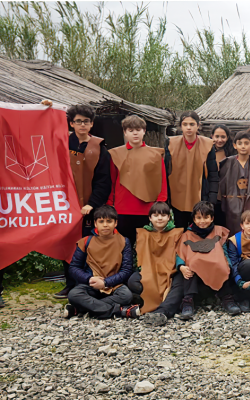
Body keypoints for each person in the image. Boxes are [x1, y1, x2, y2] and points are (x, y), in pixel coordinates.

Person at [54, 104, 112, 299]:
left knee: (88, 246)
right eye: (78, 121)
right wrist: (46, 108)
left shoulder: (99, 147)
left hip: (89, 207)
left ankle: (89, 285)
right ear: (71, 123)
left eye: (86, 121)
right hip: (65, 204)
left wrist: (92, 204)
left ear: (91, 124)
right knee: (68, 245)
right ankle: (70, 284)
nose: (82, 125)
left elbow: (104, 180)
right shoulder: (62, 142)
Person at [64, 206, 136, 319]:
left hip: (113, 285)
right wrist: (89, 279)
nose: (105, 225)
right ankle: (118, 311)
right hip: (91, 284)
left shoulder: (124, 241)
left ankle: (82, 308)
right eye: (101, 221)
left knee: (126, 296)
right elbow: (74, 268)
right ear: (95, 224)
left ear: (115, 223)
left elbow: (126, 270)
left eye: (109, 221)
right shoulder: (86, 241)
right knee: (74, 295)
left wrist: (106, 282)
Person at [108, 115, 168, 247]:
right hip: (122, 207)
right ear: (124, 132)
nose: (135, 133)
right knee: (123, 246)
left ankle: (145, 268)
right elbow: (111, 181)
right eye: (130, 130)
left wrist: (161, 202)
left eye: (138, 129)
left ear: (144, 131)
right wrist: (109, 203)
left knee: (146, 246)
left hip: (147, 208)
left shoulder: (156, 154)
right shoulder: (115, 154)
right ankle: (125, 268)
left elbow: (162, 179)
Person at [177, 201, 241, 319]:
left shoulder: (218, 231)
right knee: (189, 268)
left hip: (215, 266)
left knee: (222, 266)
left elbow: (224, 250)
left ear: (212, 218)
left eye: (206, 217)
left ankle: (227, 299)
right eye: (199, 218)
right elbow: (180, 252)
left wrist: (229, 264)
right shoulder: (187, 234)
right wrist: (181, 266)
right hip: (196, 270)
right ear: (194, 219)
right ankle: (187, 302)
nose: (202, 221)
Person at [126, 202, 185, 326]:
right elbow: (138, 257)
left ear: (169, 217)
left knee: (180, 283)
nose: (159, 218)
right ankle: (154, 301)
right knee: (133, 282)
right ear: (150, 218)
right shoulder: (143, 234)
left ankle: (162, 312)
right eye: (156, 215)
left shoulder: (178, 233)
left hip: (171, 271)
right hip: (149, 270)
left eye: (163, 215)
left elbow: (182, 253)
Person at [165, 111, 219, 229]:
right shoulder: (171, 143)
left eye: (192, 124)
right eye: (185, 124)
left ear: (198, 125)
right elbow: (165, 172)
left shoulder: (208, 144)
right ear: (181, 126)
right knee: (180, 230)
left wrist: (212, 199)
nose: (188, 127)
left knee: (199, 231)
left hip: (200, 195)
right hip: (177, 196)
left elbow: (213, 174)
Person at [219, 131, 250, 234]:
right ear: (235, 145)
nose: (243, 146)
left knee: (249, 228)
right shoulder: (227, 163)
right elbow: (222, 183)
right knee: (231, 229)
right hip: (230, 202)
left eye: (246, 143)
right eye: (240, 143)